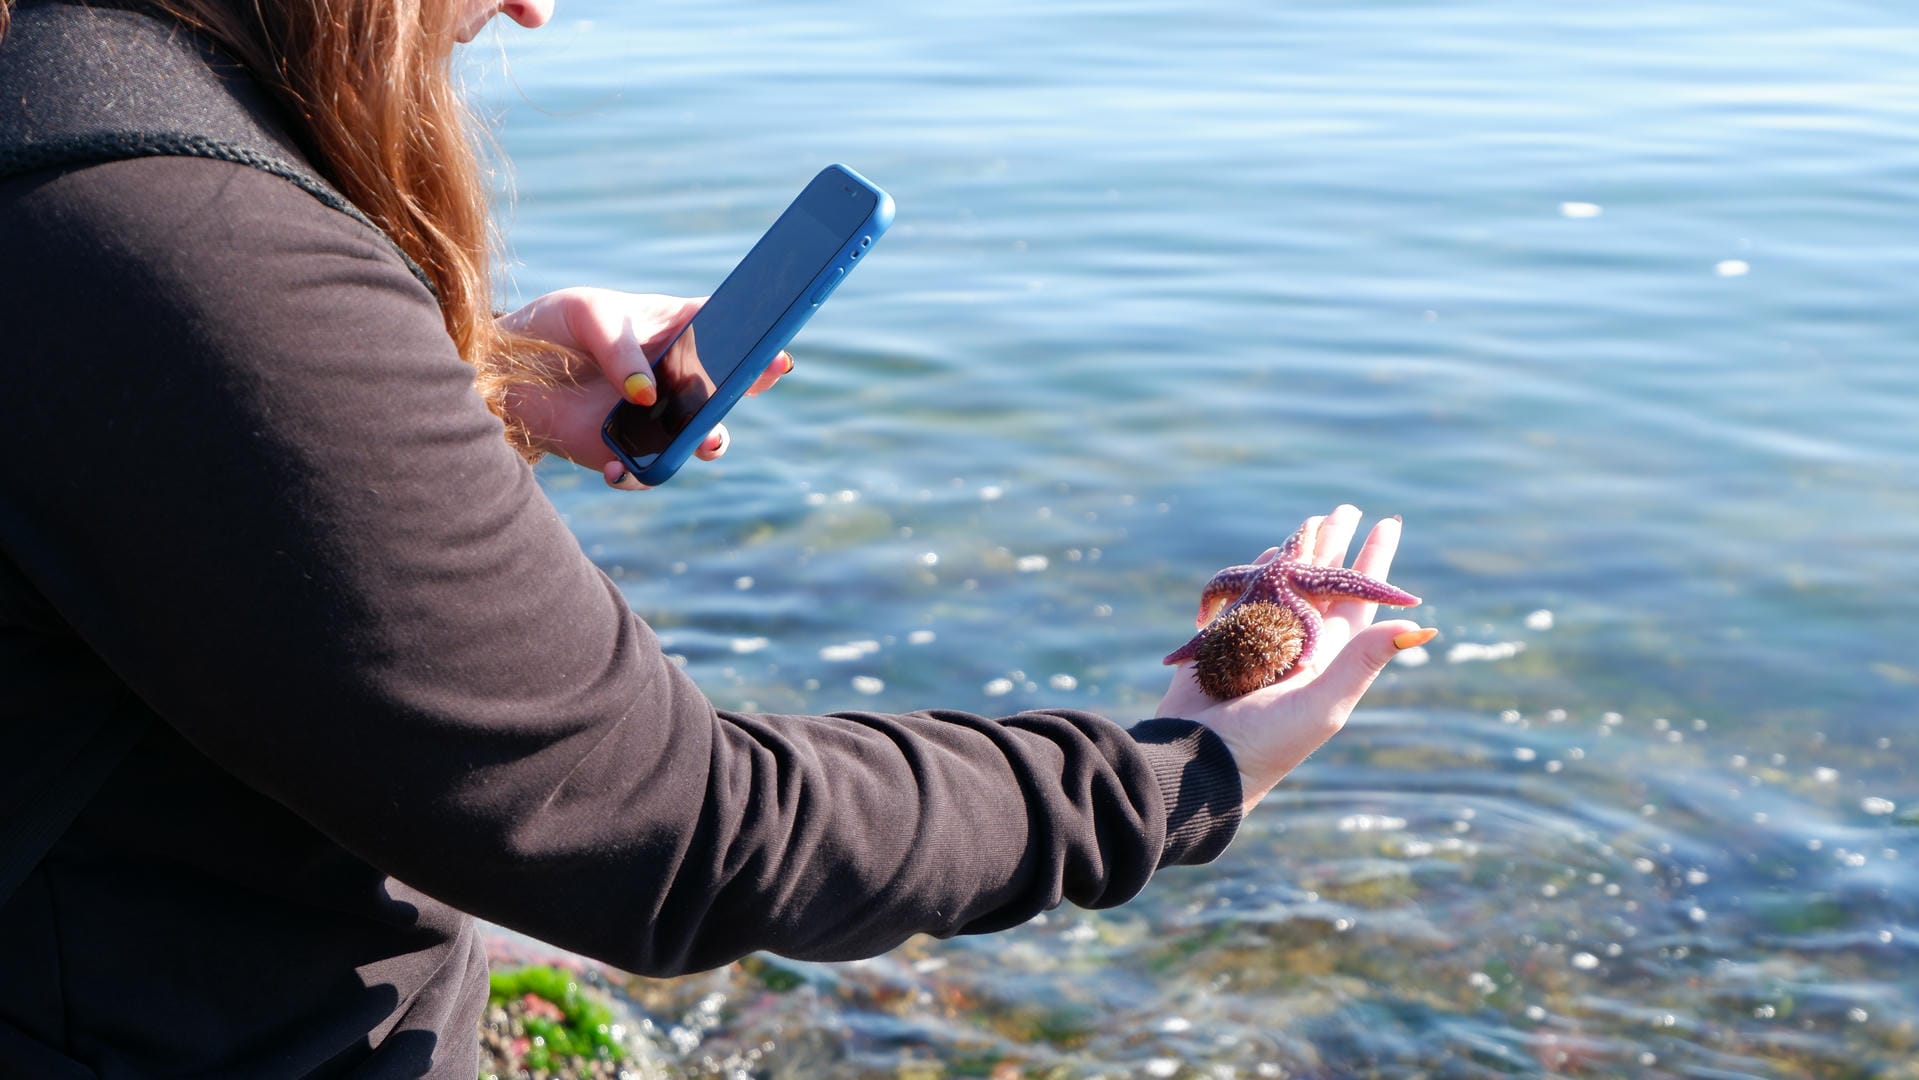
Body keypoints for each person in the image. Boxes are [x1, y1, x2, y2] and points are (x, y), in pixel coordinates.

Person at [0, 0, 1435, 1075]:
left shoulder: (58, 114)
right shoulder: (175, 239)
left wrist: (465, 383)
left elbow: (133, 512)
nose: (529, 10)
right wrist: (1175, 771)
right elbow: (673, 831)